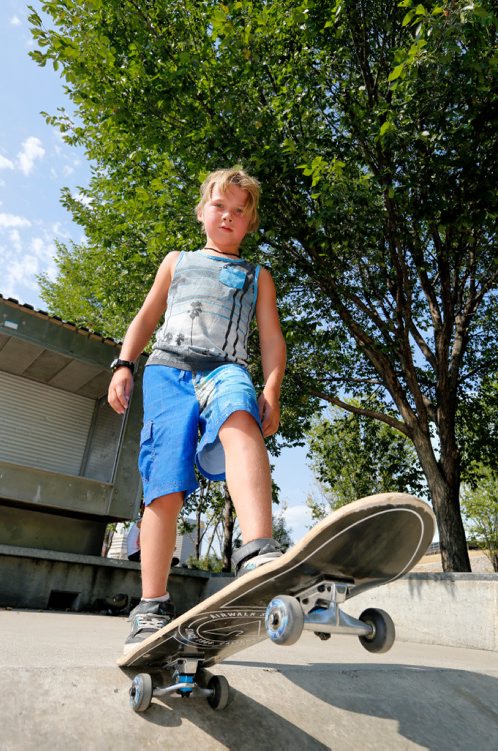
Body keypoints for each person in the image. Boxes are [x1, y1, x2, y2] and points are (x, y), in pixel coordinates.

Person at [108, 167, 287, 652]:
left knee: (240, 419)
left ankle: (257, 550)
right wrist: (124, 364)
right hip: (167, 370)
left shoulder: (256, 275)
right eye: (219, 207)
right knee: (164, 483)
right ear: (202, 212)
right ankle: (151, 604)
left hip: (225, 367)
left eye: (239, 212)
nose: (228, 217)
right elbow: (146, 315)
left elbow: (271, 339)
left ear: (249, 224)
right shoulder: (177, 260)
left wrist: (270, 389)